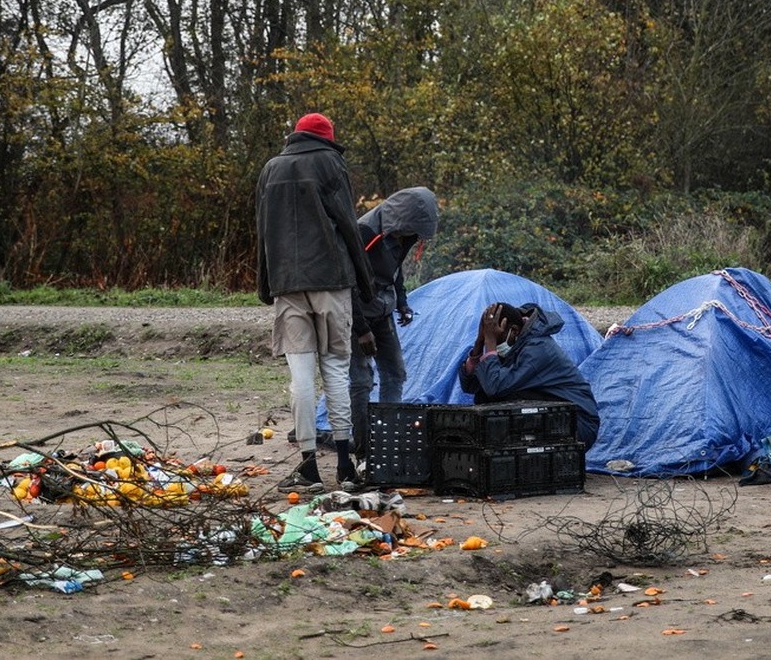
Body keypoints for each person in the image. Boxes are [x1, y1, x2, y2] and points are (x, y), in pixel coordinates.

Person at [256, 112, 375, 492]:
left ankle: (308, 467)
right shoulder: (329, 162)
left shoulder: (270, 169)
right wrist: (365, 285)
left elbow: (262, 232)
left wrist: (266, 284)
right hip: (330, 280)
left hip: (287, 285)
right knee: (336, 372)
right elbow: (348, 225)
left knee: (301, 378)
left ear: (296, 136)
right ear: (326, 138)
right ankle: (344, 466)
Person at [348, 187, 439, 465]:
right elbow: (347, 283)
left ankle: (387, 441)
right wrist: (361, 329)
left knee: (396, 373)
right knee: (362, 380)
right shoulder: (364, 232)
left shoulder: (406, 234)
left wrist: (402, 301)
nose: (414, 238)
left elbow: (396, 270)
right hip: (357, 314)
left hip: (384, 310)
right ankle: (364, 451)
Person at [458, 301, 601, 449]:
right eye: (488, 337)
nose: (491, 344)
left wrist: (490, 344)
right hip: (554, 415)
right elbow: (470, 386)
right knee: (484, 396)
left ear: (514, 331)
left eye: (493, 338)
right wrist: (479, 344)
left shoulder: (538, 348)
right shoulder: (515, 344)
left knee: (500, 394)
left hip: (577, 422)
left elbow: (495, 387)